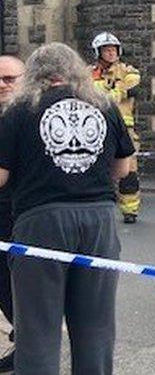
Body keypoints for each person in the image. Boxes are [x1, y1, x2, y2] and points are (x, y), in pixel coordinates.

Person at [0, 43, 135, 374]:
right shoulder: (103, 105)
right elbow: (123, 169)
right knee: (95, 326)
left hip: (41, 220)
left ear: (34, 74)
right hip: (99, 219)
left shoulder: (19, 110)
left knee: (38, 329)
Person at [90, 32, 143, 224]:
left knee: (128, 171)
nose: (111, 53)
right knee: (96, 168)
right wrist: (115, 92)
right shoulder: (90, 73)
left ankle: (130, 210)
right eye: (107, 50)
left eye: (113, 50)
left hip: (124, 129)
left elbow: (132, 85)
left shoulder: (128, 71)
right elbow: (93, 95)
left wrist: (107, 92)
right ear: (98, 52)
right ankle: (98, 205)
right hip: (96, 127)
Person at [0, 56, 24, 372]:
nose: (2, 85)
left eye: (9, 79)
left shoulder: (28, 115)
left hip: (20, 211)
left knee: (14, 281)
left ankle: (28, 340)